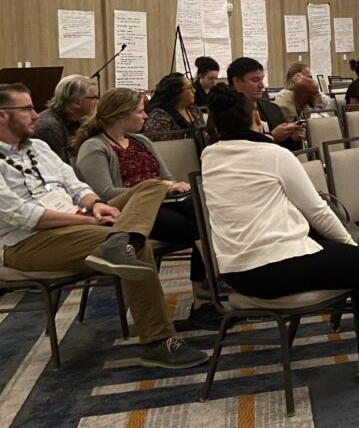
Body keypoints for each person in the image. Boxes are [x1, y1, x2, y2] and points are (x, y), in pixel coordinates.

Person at [200, 84, 359, 374]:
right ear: (256, 118)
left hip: (237, 274)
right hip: (275, 264)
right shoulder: (273, 155)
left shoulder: (209, 156)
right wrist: (352, 245)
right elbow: (317, 211)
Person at [0, 83, 208, 368]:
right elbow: (24, 215)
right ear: (2, 115)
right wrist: (85, 217)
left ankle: (119, 238)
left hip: (80, 221)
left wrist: (95, 204)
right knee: (136, 245)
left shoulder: (39, 147)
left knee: (151, 187)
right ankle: (157, 341)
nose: (36, 115)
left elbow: (75, 185)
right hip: (28, 241)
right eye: (26, 109)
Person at [73, 88, 220, 331]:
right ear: (121, 115)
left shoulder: (142, 141)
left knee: (202, 212)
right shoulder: (94, 148)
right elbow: (106, 195)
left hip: (165, 201)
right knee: (200, 224)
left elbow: (166, 177)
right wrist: (154, 189)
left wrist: (169, 187)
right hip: (130, 212)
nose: (145, 117)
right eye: (140, 112)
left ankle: (206, 297)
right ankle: (209, 293)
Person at [222, 57, 305, 151]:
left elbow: (286, 149)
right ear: (236, 81)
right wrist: (272, 137)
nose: (262, 85)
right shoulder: (224, 112)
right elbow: (232, 150)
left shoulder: (273, 109)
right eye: (255, 80)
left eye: (262, 79)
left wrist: (292, 138)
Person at [34, 74, 99, 163]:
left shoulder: (78, 120)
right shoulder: (49, 127)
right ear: (77, 102)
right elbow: (59, 165)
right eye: (94, 97)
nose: (97, 101)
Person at [142, 72, 206, 139]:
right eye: (189, 88)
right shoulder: (159, 115)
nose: (194, 90)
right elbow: (158, 144)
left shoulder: (194, 110)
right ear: (177, 91)